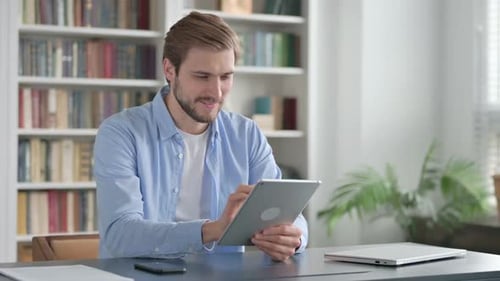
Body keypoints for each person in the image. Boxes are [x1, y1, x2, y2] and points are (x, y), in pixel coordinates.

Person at [94, 11, 308, 262]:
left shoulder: (246, 135)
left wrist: (293, 238)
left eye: (226, 77)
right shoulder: (121, 133)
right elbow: (120, 234)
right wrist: (212, 230)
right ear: (169, 70)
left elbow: (291, 214)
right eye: (202, 76)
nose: (216, 92)